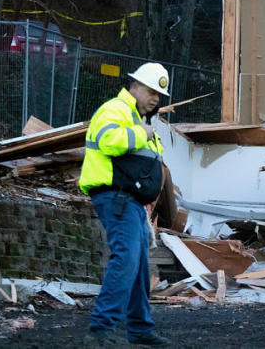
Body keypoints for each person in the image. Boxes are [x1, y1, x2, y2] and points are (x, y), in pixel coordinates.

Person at [79, 62, 171, 346]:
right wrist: (141, 133)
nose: (156, 98)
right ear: (133, 86)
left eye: (159, 95)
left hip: (130, 201)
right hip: (116, 196)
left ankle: (140, 329)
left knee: (139, 265)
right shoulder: (115, 110)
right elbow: (109, 142)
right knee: (127, 259)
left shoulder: (136, 118)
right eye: (150, 90)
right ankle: (100, 329)